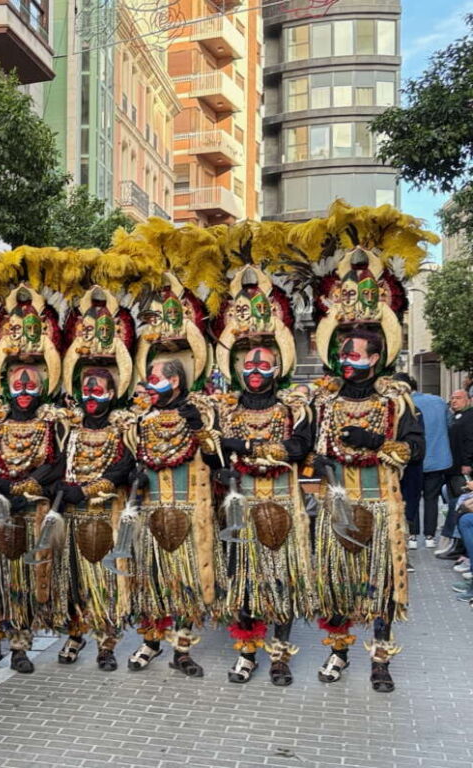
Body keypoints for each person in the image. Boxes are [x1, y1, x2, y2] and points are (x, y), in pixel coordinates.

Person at [310, 250, 424, 693]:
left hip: (381, 506)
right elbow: (314, 447)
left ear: (376, 357)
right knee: (337, 583)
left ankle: (380, 660)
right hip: (337, 505)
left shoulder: (396, 400)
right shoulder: (325, 399)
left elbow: (414, 449)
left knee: (380, 585)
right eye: (343, 351)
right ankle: (337, 652)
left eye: (356, 353)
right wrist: (318, 463)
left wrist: (377, 442)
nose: (347, 358)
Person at [210, 267, 314, 686]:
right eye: (248, 362)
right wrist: (218, 464)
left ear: (278, 366)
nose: (255, 368)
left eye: (263, 362)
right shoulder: (226, 408)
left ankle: (280, 654)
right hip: (240, 508)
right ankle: (247, 651)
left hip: (282, 506)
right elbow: (211, 448)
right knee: (243, 582)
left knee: (281, 580)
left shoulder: (294, 407)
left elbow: (298, 447)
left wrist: (249, 448)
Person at [123, 275, 220, 678]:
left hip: (190, 512)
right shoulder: (139, 419)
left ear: (176, 380)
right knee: (151, 581)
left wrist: (196, 428)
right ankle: (149, 642)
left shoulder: (202, 412)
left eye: (158, 378)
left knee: (185, 582)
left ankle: (182, 647)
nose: (150, 383)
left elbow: (217, 456)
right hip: (152, 514)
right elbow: (132, 461)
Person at [0, 284, 65, 674]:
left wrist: (32, 484)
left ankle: (20, 645)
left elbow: (60, 465)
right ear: (5, 384)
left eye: (31, 384)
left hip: (31, 514)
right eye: (17, 384)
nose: (24, 391)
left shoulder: (51, 423)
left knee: (24, 581)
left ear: (42, 385)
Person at [54, 286, 136, 671]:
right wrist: (63, 489)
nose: (91, 396)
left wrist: (94, 487)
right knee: (74, 579)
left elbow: (126, 466)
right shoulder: (68, 428)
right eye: (86, 390)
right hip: (73, 515)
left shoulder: (122, 427)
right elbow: (55, 463)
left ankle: (106, 643)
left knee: (106, 579)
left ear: (112, 393)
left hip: (107, 515)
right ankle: (74, 635)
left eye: (98, 390)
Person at [401, 375, 451, 548]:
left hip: (413, 459)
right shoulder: (438, 401)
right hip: (438, 458)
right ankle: (430, 537)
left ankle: (413, 536)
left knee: (411, 497)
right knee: (431, 498)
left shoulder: (402, 405)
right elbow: (449, 425)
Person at [438, 389, 473, 558]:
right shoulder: (455, 417)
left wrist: (467, 463)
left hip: (462, 469)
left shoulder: (470, 417)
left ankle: (460, 548)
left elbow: (470, 441)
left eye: (458, 398)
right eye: (452, 398)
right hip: (452, 468)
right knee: (453, 503)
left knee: (460, 506)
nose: (453, 401)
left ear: (468, 400)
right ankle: (457, 546)